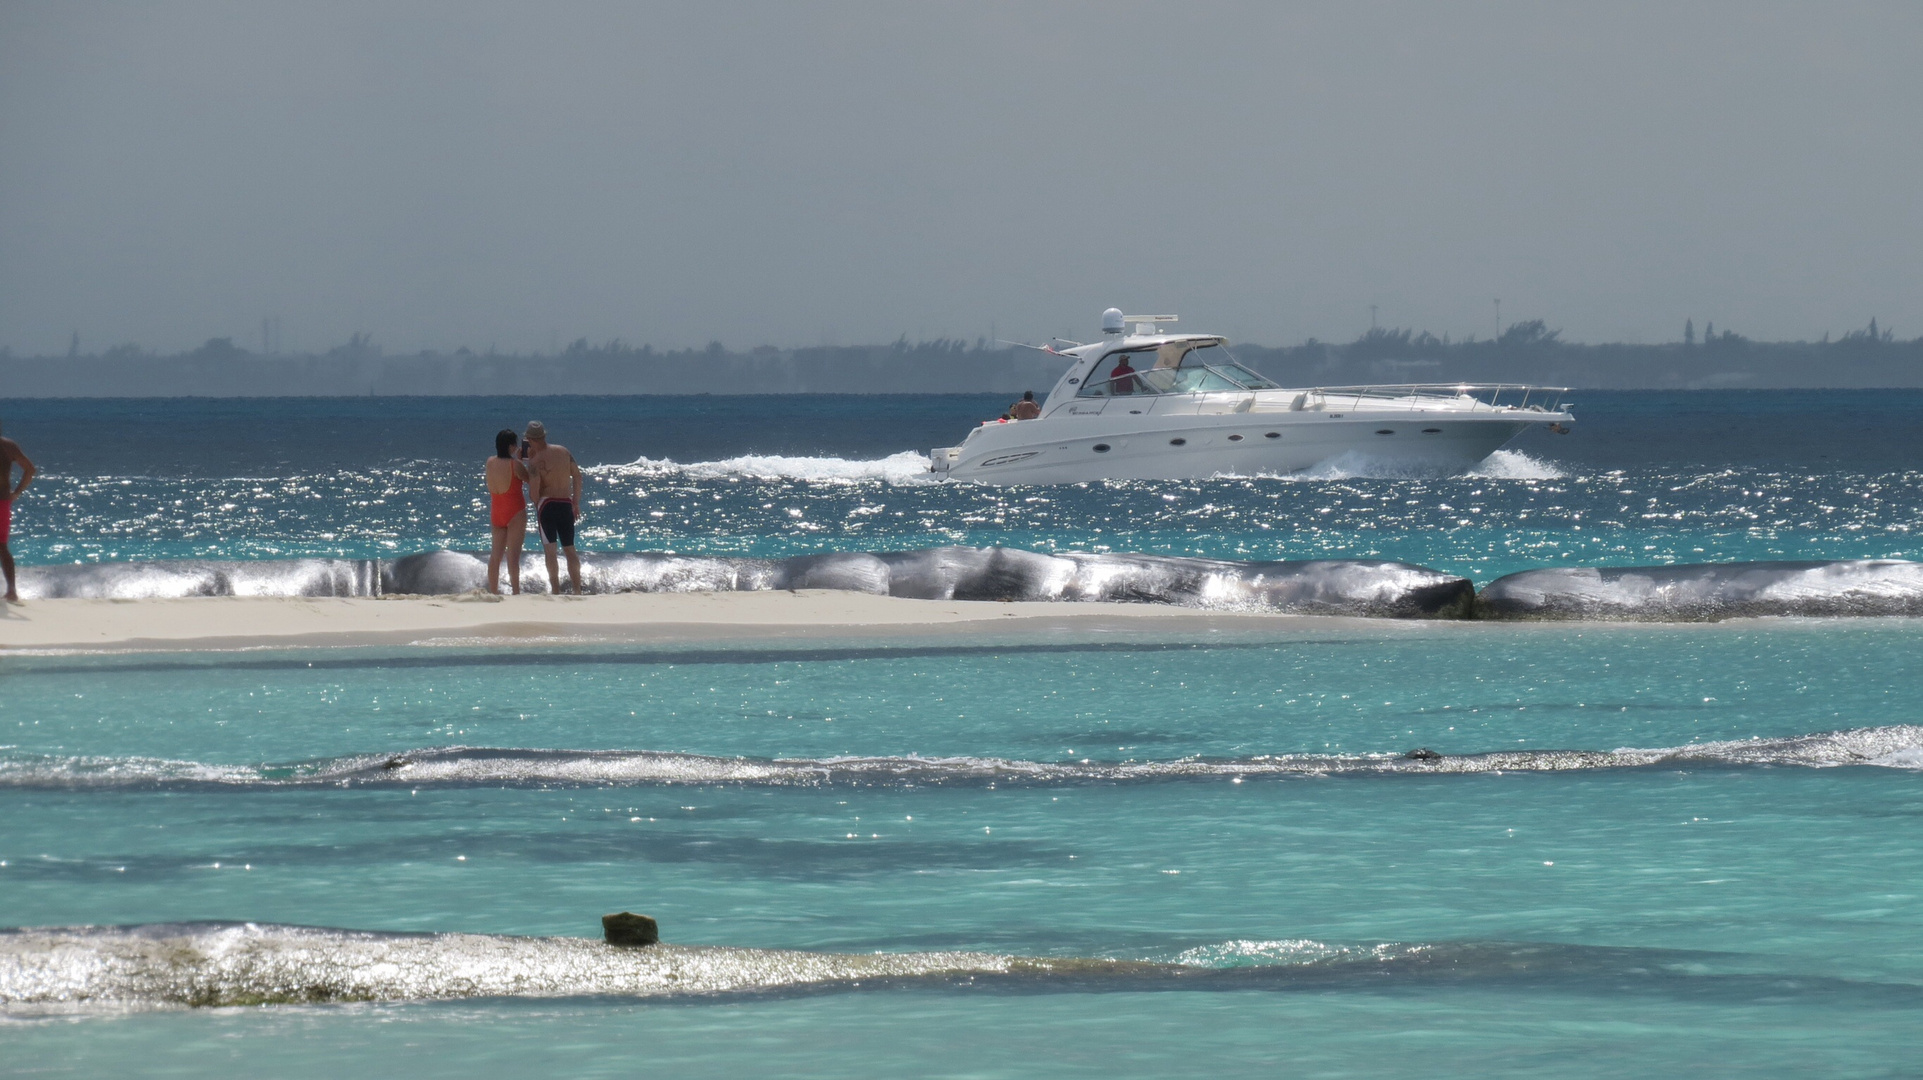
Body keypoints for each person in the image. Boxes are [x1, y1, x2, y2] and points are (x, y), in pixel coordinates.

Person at [522, 420, 584, 595]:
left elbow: (534, 494)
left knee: (550, 551)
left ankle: (556, 590)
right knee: (570, 549)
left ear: (529, 439)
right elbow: (578, 476)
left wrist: (536, 501)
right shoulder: (563, 451)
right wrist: (576, 502)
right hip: (565, 503)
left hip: (547, 505)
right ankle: (577, 590)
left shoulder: (535, 461)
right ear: (544, 435)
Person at [485, 429, 529, 594]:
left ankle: (493, 591)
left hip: (497, 511)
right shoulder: (515, 465)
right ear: (511, 446)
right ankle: (516, 591)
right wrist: (522, 459)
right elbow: (530, 479)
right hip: (515, 511)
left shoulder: (490, 462)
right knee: (513, 557)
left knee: (495, 556)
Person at [0, 420, 36, 603]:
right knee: (2, 547)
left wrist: (17, 492)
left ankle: (12, 590)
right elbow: (30, 470)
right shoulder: (8, 447)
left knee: (2, 547)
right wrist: (17, 492)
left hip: (2, 501)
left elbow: (31, 470)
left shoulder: (8, 447)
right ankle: (12, 590)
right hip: (3, 501)